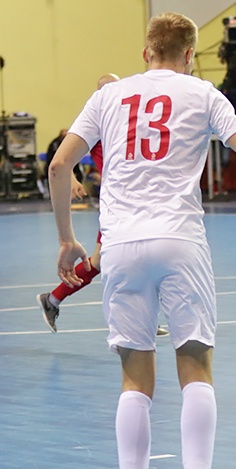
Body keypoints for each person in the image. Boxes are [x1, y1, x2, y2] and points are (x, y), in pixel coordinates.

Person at [48, 12, 236, 469]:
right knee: (196, 365)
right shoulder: (203, 93)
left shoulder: (110, 96)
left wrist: (66, 239)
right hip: (180, 240)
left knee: (135, 380)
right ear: (190, 55)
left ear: (146, 51)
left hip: (122, 246)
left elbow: (61, 166)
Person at [38, 74, 173, 337]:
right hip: (118, 206)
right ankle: (141, 317)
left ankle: (52, 300)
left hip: (135, 203)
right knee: (135, 258)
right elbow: (63, 156)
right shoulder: (98, 120)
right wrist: (74, 177)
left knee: (104, 262)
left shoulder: (129, 119)